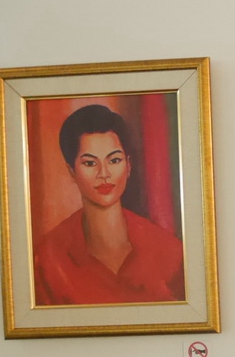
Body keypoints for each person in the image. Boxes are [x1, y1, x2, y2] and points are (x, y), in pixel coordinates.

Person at [33, 104, 185, 305]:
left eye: (114, 160)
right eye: (90, 163)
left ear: (128, 166)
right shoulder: (49, 259)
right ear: (72, 171)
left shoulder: (169, 252)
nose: (104, 174)